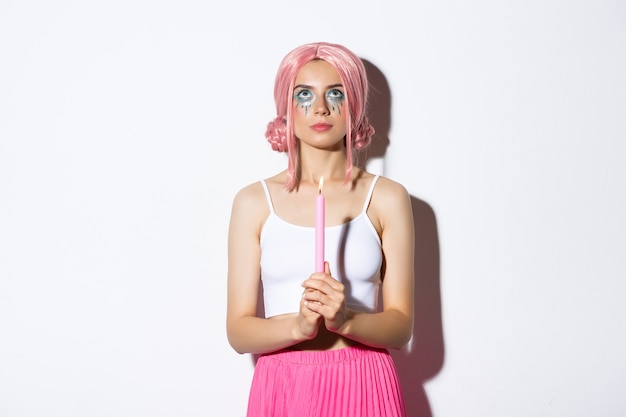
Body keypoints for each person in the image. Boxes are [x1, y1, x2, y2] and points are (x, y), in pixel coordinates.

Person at [226, 41, 415, 417]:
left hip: (365, 382)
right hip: (284, 385)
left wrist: (347, 319)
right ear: (286, 109)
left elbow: (401, 326)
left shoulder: (387, 198)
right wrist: (297, 326)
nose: (322, 108)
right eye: (304, 95)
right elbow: (239, 331)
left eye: (335, 93)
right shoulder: (253, 202)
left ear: (355, 105)